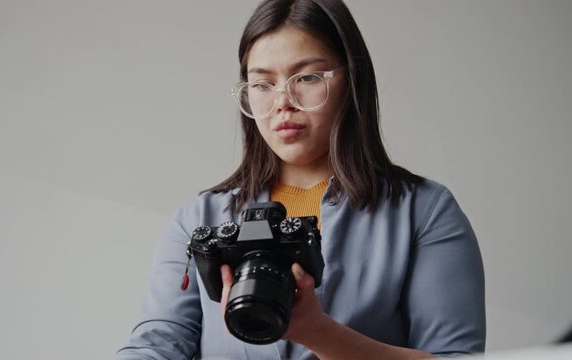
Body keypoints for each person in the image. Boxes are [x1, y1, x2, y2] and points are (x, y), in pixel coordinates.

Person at [116, 0, 485, 359]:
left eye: (306, 77)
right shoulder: (199, 219)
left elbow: (454, 358)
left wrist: (318, 332)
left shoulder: (423, 212)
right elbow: (155, 346)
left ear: (351, 81)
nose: (283, 102)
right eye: (262, 84)